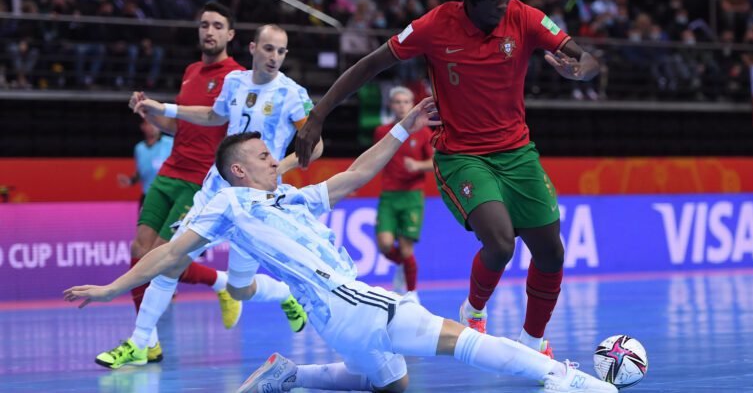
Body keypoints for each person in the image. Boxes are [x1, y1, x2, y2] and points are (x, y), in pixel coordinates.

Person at [64, 98, 617, 393]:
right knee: (460, 342)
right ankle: (564, 379)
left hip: (334, 319)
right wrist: (114, 287)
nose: (272, 159)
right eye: (262, 156)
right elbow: (169, 254)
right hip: (352, 301)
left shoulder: (289, 198)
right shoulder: (227, 205)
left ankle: (292, 376)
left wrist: (403, 127)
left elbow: (354, 175)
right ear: (238, 170)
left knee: (392, 385)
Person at [295, 0, 600, 355]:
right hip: (463, 156)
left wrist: (580, 68)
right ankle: (473, 308)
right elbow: (370, 65)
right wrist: (318, 115)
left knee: (551, 252)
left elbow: (589, 59)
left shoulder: (525, 18)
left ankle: (531, 342)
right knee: (501, 243)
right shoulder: (436, 25)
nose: (503, 3)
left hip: (517, 153)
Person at [94, 23, 321, 369]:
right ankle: (140, 343)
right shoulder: (235, 82)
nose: (275, 57)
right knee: (170, 261)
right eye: (269, 49)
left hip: (255, 202)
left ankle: (284, 294)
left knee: (241, 289)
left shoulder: (293, 93)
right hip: (215, 191)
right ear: (253, 48)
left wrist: (278, 168)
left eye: (281, 51)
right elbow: (214, 115)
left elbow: (315, 145)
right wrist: (164, 109)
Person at [100, 1, 244, 369]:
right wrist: (150, 112)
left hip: (199, 181)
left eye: (216, 25)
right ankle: (147, 343)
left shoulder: (237, 77)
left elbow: (215, 120)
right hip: (169, 172)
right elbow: (180, 126)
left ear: (230, 34)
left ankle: (223, 284)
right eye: (203, 25)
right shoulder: (191, 71)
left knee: (164, 259)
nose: (208, 31)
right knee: (139, 249)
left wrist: (165, 107)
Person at [373, 86, 433, 299]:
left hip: (412, 196)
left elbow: (436, 162)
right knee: (385, 245)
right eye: (397, 102)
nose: (401, 106)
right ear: (391, 105)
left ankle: (411, 293)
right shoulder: (382, 132)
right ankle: (403, 267)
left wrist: (417, 166)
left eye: (405, 102)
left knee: (407, 248)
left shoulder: (423, 133)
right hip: (389, 195)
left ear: (412, 105)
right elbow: (374, 160)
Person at [117, 119, 173, 210]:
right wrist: (130, 181)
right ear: (143, 127)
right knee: (143, 223)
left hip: (167, 195)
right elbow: (141, 172)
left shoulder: (170, 143)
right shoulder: (139, 148)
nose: (152, 127)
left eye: (155, 123)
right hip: (147, 195)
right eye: (149, 124)